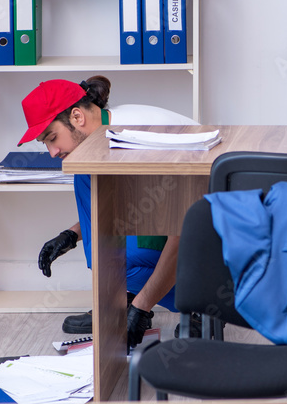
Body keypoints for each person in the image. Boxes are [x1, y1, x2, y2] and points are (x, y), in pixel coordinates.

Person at [18, 76, 197, 349]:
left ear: (77, 117)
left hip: (215, 249)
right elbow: (122, 205)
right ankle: (121, 298)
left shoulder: (134, 140)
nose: (52, 152)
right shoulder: (107, 133)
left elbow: (183, 231)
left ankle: (199, 305)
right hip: (182, 225)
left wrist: (142, 307)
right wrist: (71, 235)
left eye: (52, 138)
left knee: (113, 263)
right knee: (85, 179)